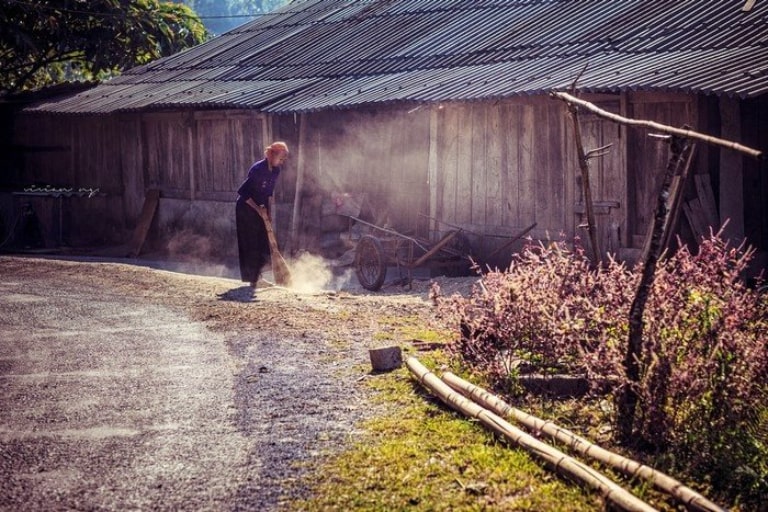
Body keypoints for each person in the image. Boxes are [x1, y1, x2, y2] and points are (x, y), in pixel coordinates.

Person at [236, 141, 289, 287]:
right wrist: (259, 210)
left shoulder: (276, 170)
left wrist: (268, 213)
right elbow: (243, 192)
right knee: (250, 241)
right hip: (246, 207)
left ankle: (258, 276)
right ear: (272, 155)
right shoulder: (258, 169)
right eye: (281, 158)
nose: (282, 162)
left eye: (284, 159)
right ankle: (253, 279)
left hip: (260, 208)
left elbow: (268, 194)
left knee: (262, 240)